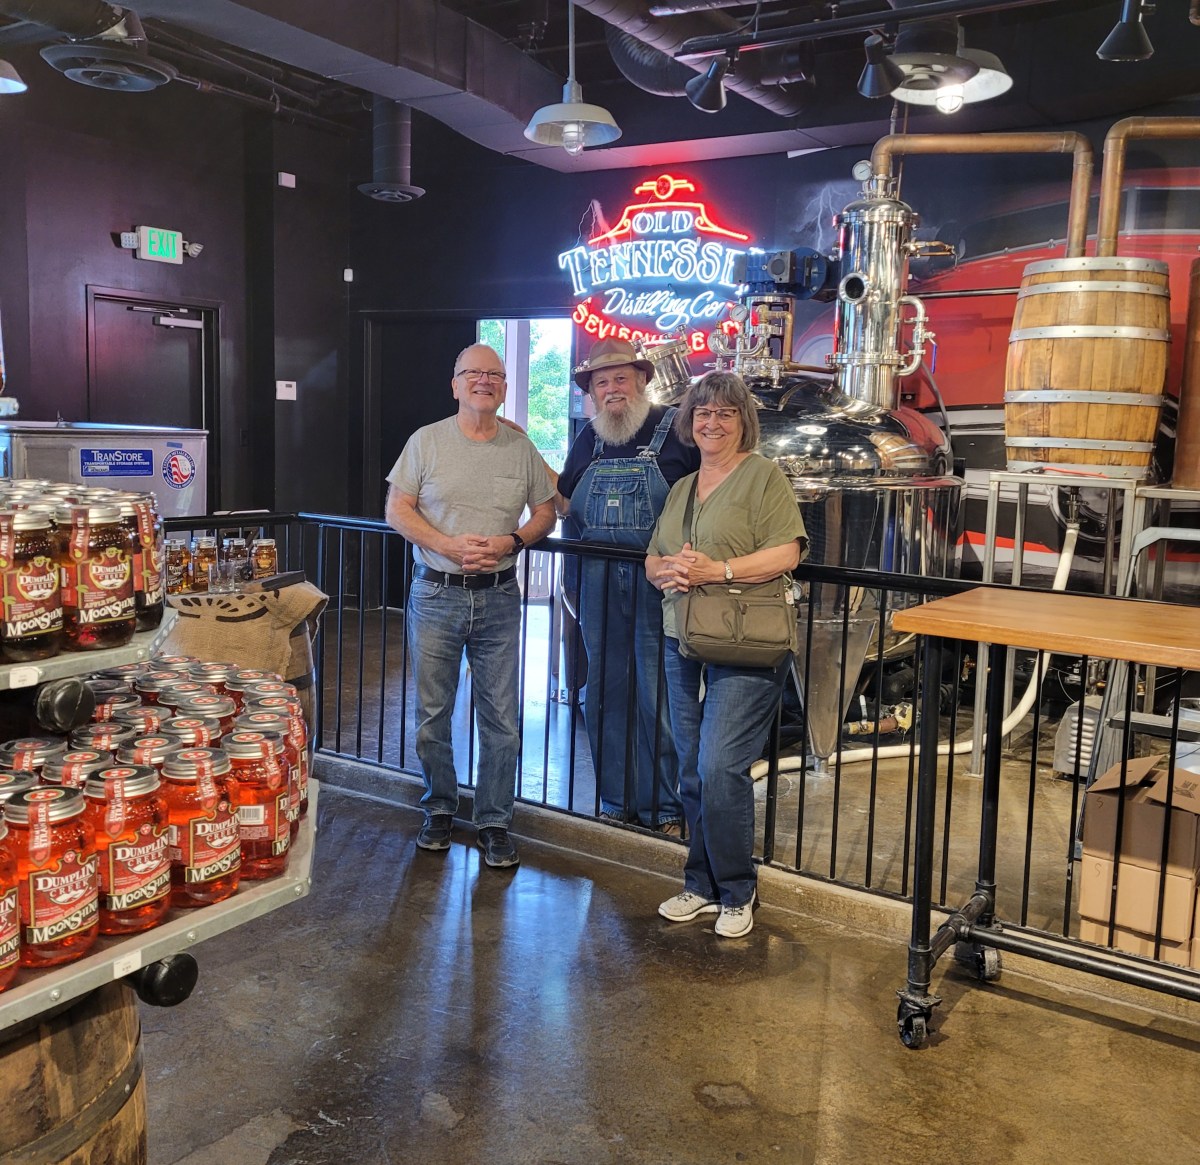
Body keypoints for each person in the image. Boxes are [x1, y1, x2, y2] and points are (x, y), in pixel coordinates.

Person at [645, 371, 807, 937]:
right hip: (682, 637)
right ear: (689, 422)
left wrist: (719, 571)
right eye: (703, 413)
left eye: (725, 413)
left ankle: (738, 889)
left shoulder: (763, 477)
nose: (711, 422)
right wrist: (666, 570)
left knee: (720, 767)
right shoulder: (683, 488)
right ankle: (701, 884)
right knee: (692, 770)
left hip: (744, 644)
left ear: (743, 422)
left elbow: (787, 552)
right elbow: (653, 557)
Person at [385, 343, 557, 869]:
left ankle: (494, 821)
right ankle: (439, 806)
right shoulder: (426, 441)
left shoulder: (520, 447)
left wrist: (512, 541)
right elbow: (397, 509)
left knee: (501, 716)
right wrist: (446, 545)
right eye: (473, 373)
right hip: (436, 593)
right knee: (432, 713)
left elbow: (546, 512)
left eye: (494, 374)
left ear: (503, 387)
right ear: (455, 384)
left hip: (500, 596)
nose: (484, 380)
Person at [557, 337, 700, 834]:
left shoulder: (677, 429)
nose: (612, 389)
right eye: (602, 382)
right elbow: (563, 501)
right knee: (604, 692)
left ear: (642, 381)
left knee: (659, 693)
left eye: (621, 378)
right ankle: (615, 800)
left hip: (659, 581)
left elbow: (706, 499)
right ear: (592, 392)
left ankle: (664, 808)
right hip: (596, 580)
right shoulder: (587, 439)